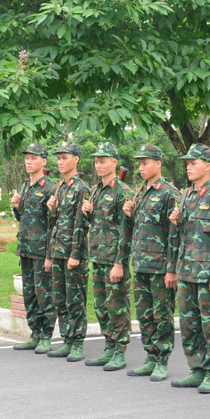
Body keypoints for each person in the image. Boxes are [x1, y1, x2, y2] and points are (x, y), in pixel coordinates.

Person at [169, 144, 210, 393]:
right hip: (186, 269)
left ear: (208, 166)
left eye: (194, 162)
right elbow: (183, 234)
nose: (188, 166)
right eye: (187, 163)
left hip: (206, 274)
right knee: (189, 324)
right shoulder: (186, 195)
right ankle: (196, 368)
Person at [123, 144, 178, 381]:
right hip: (142, 262)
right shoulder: (140, 192)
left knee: (162, 314)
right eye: (140, 163)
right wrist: (130, 213)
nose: (141, 167)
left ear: (158, 164)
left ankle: (162, 359)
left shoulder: (169, 193)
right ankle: (150, 356)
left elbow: (174, 233)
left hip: (160, 265)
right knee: (145, 314)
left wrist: (171, 268)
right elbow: (142, 225)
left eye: (145, 162)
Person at [82, 142, 133, 371]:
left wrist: (119, 263)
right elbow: (97, 224)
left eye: (103, 160)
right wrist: (88, 214)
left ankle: (120, 351)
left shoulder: (123, 192)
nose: (98, 165)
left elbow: (125, 230)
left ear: (114, 162)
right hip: (98, 256)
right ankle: (109, 346)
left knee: (117, 306)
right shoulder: (95, 190)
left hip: (114, 259)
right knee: (101, 306)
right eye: (96, 161)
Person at [45, 142, 91, 362]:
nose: (61, 162)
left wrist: (75, 254)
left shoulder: (82, 188)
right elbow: (54, 223)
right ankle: (66, 339)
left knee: (75, 300)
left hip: (74, 254)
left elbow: (81, 225)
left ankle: (78, 343)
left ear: (76, 159)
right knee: (60, 300)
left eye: (65, 157)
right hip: (58, 252)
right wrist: (51, 208)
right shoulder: (58, 188)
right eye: (59, 158)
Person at [11, 143, 56, 354]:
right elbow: (24, 218)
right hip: (26, 249)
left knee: (44, 293)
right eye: (27, 158)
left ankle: (46, 335)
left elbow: (52, 224)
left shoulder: (50, 188)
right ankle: (34, 334)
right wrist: (15, 207)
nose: (29, 162)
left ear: (44, 161)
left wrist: (49, 255)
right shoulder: (25, 186)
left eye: (34, 158)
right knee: (29, 294)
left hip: (41, 250)